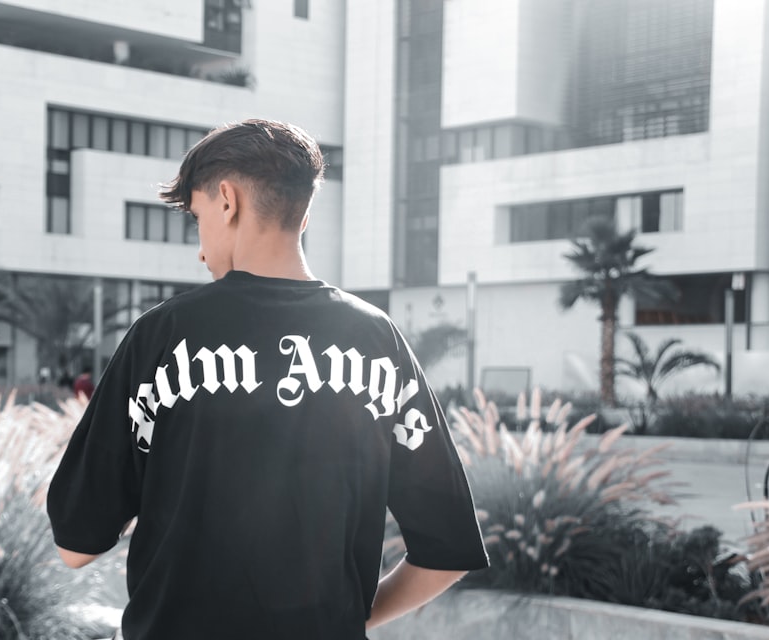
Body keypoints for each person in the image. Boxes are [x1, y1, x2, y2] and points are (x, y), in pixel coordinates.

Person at [47, 119, 488, 639]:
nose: (200, 247)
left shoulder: (162, 334)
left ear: (227, 200)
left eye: (197, 216)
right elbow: (446, 553)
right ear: (302, 212)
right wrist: (348, 620)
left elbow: (76, 547)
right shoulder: (377, 340)